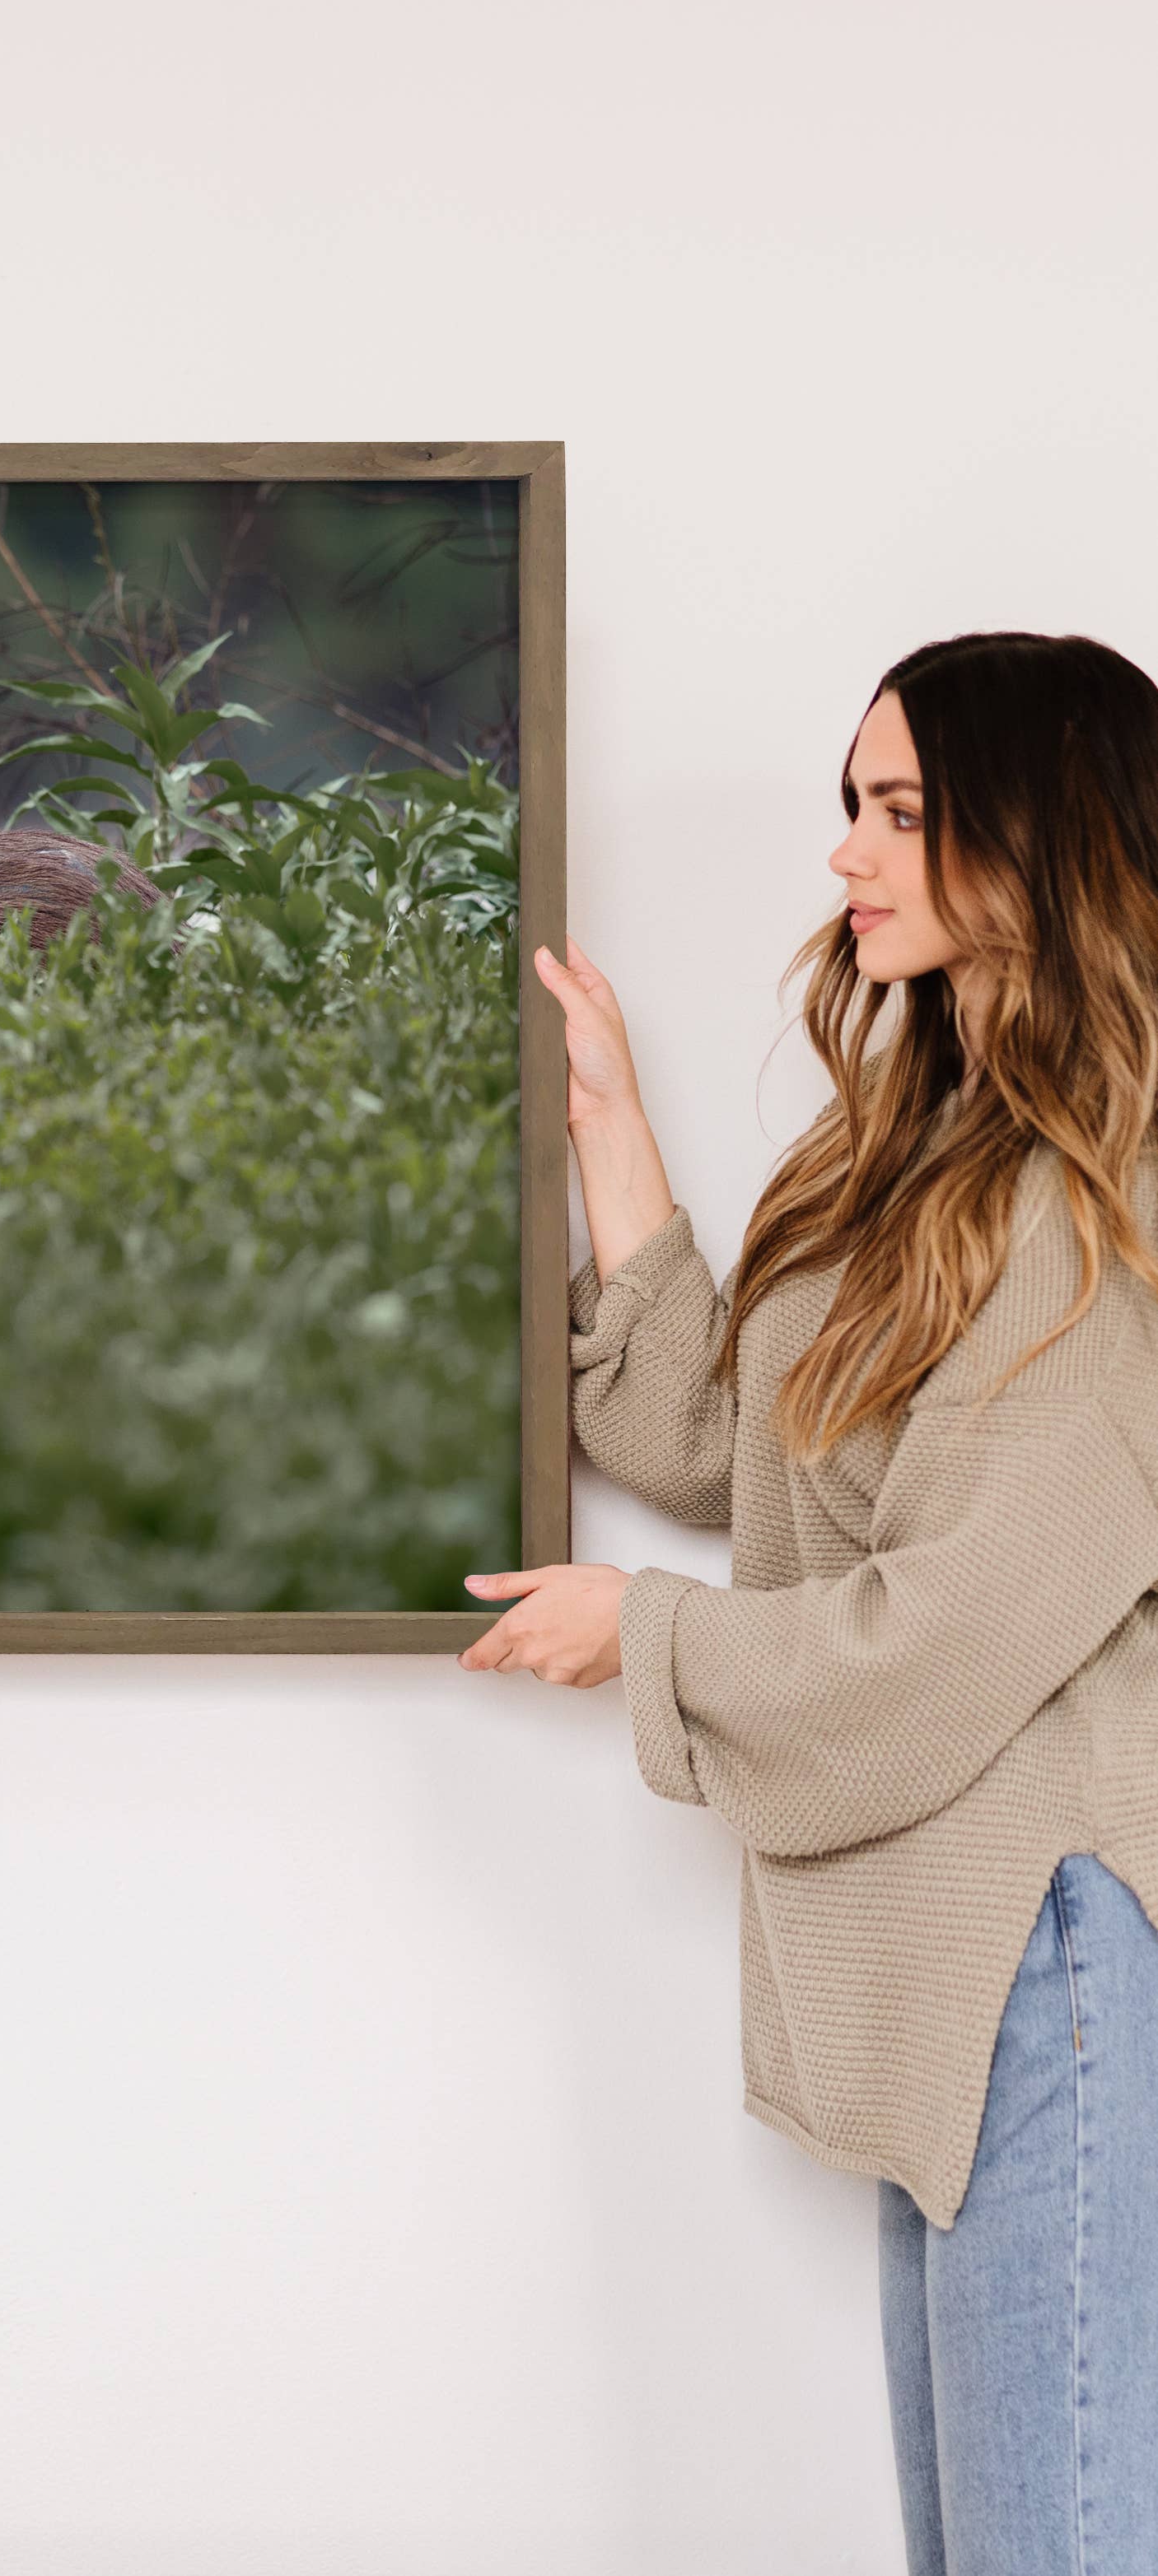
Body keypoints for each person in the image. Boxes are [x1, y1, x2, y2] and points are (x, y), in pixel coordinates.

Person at [461, 633, 1158, 2573]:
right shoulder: (921, 1147)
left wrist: (645, 1639)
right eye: (852, 808)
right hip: (953, 1972)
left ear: (1046, 838)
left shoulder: (1117, 1203)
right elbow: (731, 1447)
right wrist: (609, 1124)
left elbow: (953, 1629)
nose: (852, 856)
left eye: (906, 813)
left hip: (1057, 1967)